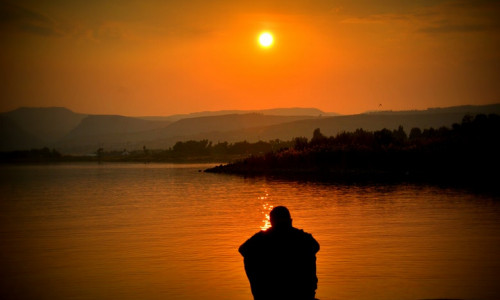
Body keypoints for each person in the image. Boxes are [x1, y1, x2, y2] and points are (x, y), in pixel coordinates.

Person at [239, 206, 320, 300]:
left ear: (271, 222)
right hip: (301, 289)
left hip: (274, 288)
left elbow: (243, 249)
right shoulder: (302, 237)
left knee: (250, 257)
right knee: (309, 253)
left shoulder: (262, 237)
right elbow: (316, 247)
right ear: (290, 221)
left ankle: (262, 293)